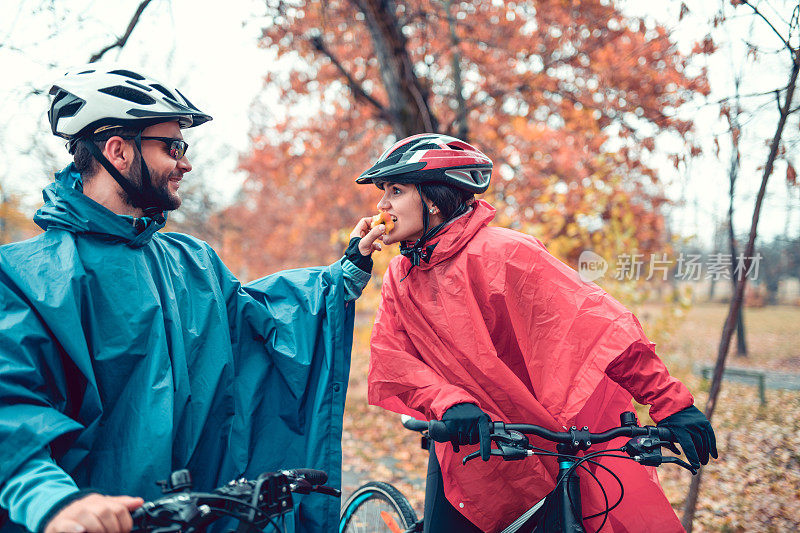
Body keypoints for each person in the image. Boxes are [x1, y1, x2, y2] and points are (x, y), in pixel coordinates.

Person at [0, 66, 385, 533]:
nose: (185, 163)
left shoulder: (192, 261)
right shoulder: (25, 276)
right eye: (172, 146)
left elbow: (261, 327)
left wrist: (343, 274)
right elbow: (11, 404)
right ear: (117, 151)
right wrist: (49, 500)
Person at [358, 133, 717, 532]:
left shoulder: (507, 254)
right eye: (382, 192)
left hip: (543, 444)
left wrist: (672, 403)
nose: (381, 205)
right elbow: (393, 359)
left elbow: (600, 331)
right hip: (466, 446)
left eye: (395, 190)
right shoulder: (400, 275)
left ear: (434, 200)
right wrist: (450, 402)